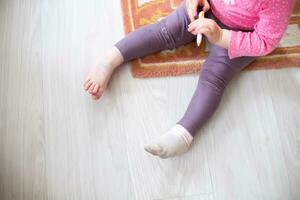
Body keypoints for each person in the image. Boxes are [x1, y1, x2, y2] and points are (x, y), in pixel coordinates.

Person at [83, 0, 294, 159]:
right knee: (165, 31)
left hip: (240, 34)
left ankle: (183, 134)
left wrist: (220, 37)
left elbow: (264, 41)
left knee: (214, 76)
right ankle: (109, 60)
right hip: (208, 8)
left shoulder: (278, 3)